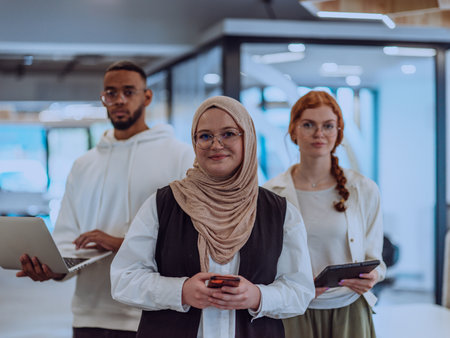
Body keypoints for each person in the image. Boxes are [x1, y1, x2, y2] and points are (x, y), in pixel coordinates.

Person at [110, 95, 315, 338]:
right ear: (194, 143)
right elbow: (124, 279)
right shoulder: (163, 204)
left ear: (247, 138)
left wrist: (258, 296)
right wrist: (180, 291)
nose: (216, 145)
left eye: (228, 133)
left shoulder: (279, 212)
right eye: (205, 136)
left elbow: (300, 291)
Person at [16, 60, 194, 337]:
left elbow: (191, 239)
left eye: (128, 91)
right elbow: (67, 237)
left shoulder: (180, 156)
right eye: (111, 93)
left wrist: (120, 244)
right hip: (90, 314)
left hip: (153, 313)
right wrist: (53, 269)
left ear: (147, 96)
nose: (119, 100)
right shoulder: (84, 164)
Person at [264, 90, 386, 338]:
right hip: (294, 311)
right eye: (309, 125)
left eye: (328, 126)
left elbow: (377, 260)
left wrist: (373, 276)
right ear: (293, 131)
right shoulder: (270, 193)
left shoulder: (364, 189)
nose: (319, 134)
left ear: (338, 132)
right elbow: (264, 261)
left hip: (349, 310)